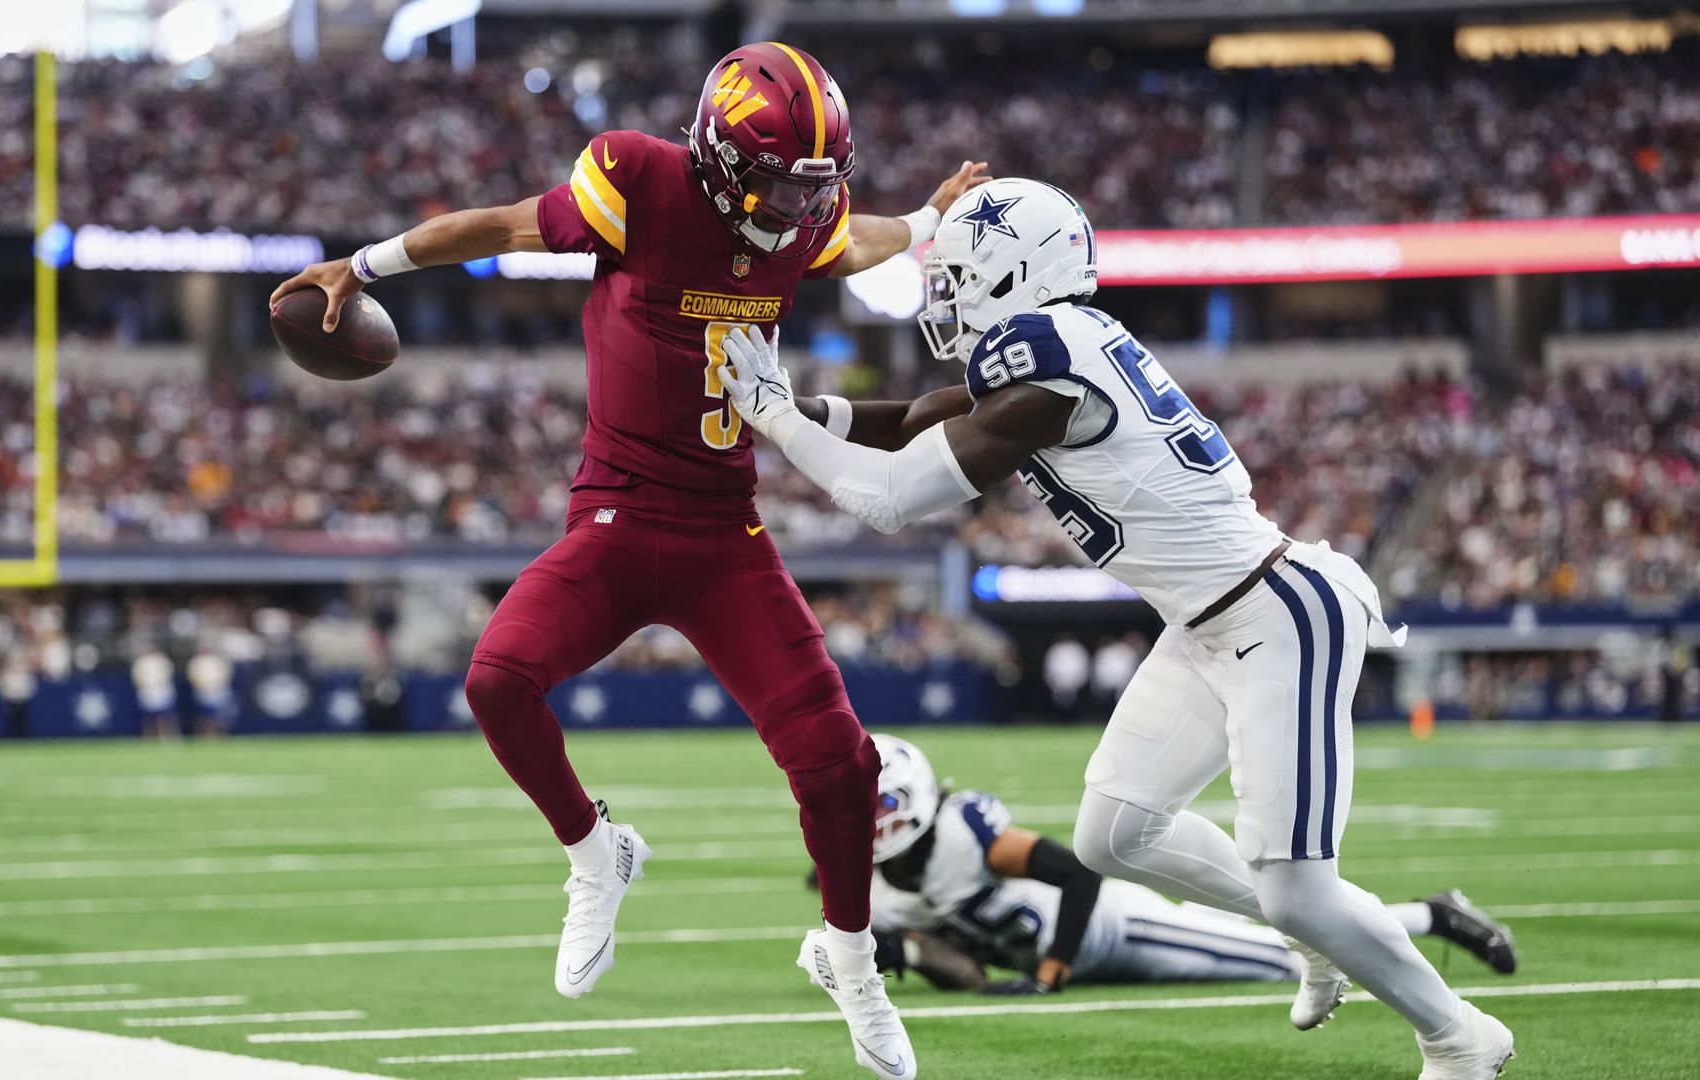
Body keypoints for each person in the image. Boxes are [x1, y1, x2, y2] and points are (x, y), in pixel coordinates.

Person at [272, 42, 989, 1080]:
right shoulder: (640, 181)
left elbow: (859, 234)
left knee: (842, 762)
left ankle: (853, 960)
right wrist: (365, 263)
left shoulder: (802, 218)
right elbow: (499, 227)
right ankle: (593, 851)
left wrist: (926, 219)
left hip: (725, 532)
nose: (797, 202)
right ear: (719, 155)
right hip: (616, 517)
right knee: (496, 681)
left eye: (811, 182)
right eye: (782, 177)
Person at [720, 176, 1517, 1079]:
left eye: (958, 271)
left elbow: (891, 497)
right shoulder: (1055, 345)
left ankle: (1459, 1034)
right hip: (1205, 622)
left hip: (1277, 611)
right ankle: (1313, 933)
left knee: (1299, 886)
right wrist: (791, 407)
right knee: (1114, 834)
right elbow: (908, 422)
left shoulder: (1041, 358)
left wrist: (776, 417)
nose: (942, 290)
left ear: (1013, 273)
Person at [854, 735, 1516, 995]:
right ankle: (1430, 913)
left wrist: (1053, 969)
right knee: (1281, 936)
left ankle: (1434, 913)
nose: (869, 817)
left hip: (1117, 930)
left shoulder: (967, 833)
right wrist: (908, 955)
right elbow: (968, 973)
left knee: (1287, 954)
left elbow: (1082, 871)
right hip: (1073, 958)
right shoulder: (879, 888)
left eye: (877, 802)